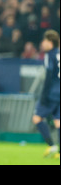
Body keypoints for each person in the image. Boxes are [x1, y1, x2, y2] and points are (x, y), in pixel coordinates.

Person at [32, 29, 60, 159]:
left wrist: (43, 95)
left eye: (45, 40)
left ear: (51, 42)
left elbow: (49, 76)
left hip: (52, 93)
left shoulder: (49, 55)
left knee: (37, 118)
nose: (42, 43)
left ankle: (51, 145)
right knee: (58, 122)